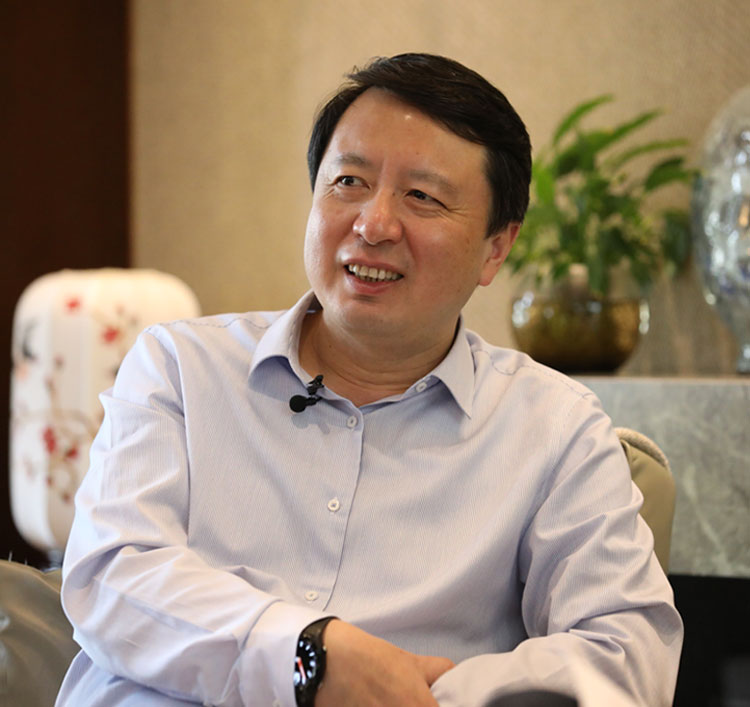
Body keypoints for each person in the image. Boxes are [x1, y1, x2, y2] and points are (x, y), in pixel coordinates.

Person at [56, 53, 682, 707]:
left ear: (496, 247)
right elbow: (110, 577)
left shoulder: (555, 427)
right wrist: (309, 656)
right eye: (349, 182)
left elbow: (625, 651)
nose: (373, 224)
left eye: (422, 196)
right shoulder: (179, 368)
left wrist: (413, 694)